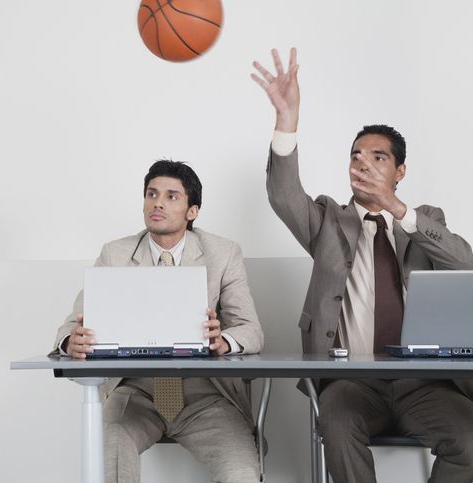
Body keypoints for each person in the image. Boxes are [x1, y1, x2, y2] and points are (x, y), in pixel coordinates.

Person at [252, 47, 473, 483]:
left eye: (378, 157)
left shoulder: (424, 220)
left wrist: (396, 208)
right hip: (351, 381)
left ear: (400, 171)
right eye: (356, 155)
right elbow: (283, 196)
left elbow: (464, 263)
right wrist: (286, 121)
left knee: (469, 440)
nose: (362, 162)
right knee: (335, 423)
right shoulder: (328, 220)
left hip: (424, 384)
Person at [52, 159, 264, 483]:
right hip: (136, 390)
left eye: (171, 196)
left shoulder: (223, 253)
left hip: (204, 394)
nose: (158, 203)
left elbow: (251, 329)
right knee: (110, 448)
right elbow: (70, 324)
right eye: (151, 194)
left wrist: (224, 342)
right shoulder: (115, 254)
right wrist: (70, 341)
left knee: (243, 474)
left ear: (192, 211)